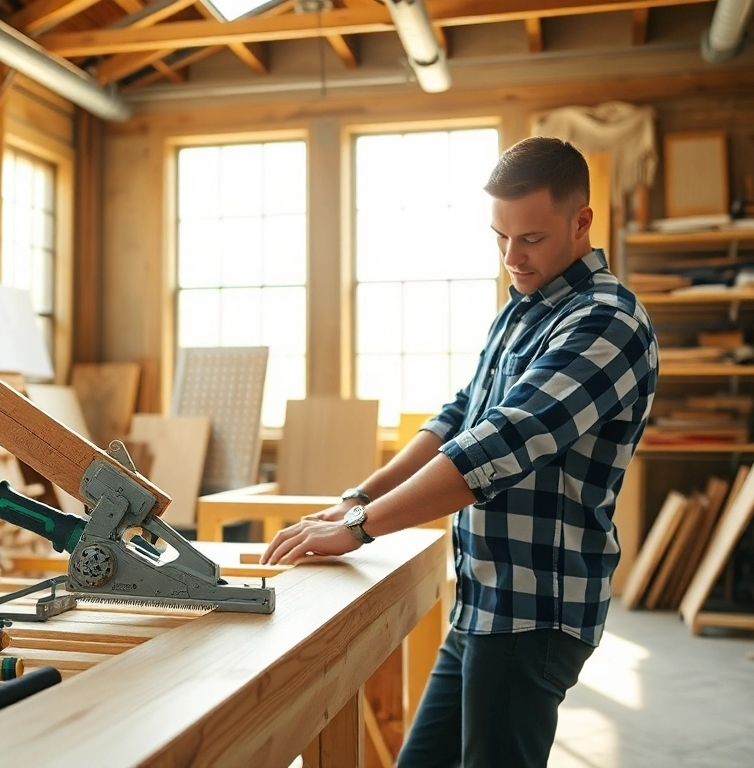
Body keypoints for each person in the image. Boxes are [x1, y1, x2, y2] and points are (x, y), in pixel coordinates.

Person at [261, 136, 659, 767]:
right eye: (499, 236)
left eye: (529, 238)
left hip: (534, 612)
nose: (511, 257)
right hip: (484, 597)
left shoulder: (607, 320)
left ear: (581, 221)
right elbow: (457, 419)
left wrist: (362, 528)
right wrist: (358, 499)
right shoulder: (524, 309)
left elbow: (499, 443)